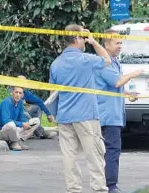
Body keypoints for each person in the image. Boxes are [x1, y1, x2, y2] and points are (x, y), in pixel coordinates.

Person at [49, 24, 111, 193]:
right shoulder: (85, 59)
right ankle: (99, 189)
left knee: (69, 158)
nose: (84, 41)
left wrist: (54, 115)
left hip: (65, 117)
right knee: (95, 156)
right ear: (76, 38)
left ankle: (73, 190)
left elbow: (52, 93)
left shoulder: (56, 64)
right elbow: (107, 60)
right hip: (86, 116)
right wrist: (94, 42)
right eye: (83, 38)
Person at [94, 29, 143, 193]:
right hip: (107, 116)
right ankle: (110, 186)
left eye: (121, 42)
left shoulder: (114, 62)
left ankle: (106, 184)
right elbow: (116, 82)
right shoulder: (104, 62)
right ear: (106, 45)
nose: (120, 46)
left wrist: (127, 94)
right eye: (117, 43)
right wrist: (133, 74)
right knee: (111, 151)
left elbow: (114, 86)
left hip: (113, 113)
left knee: (109, 151)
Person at [0, 86, 41, 151]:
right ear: (12, 93)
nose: (18, 95)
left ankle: (20, 141)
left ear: (22, 95)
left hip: (14, 129)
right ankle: (14, 143)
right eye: (16, 92)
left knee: (36, 121)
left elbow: (21, 118)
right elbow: (5, 121)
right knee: (11, 124)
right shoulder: (6, 102)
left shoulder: (19, 103)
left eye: (20, 93)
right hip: (2, 131)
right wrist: (22, 124)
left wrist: (26, 124)